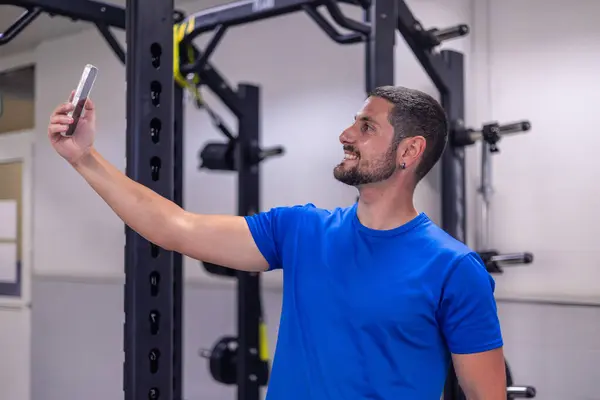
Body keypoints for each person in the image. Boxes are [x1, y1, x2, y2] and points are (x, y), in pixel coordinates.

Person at [47, 86, 506, 399]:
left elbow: (486, 395)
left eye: (367, 127)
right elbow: (174, 227)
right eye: (353, 123)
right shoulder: (301, 231)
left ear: (409, 151)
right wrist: (84, 158)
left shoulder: (454, 269)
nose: (346, 135)